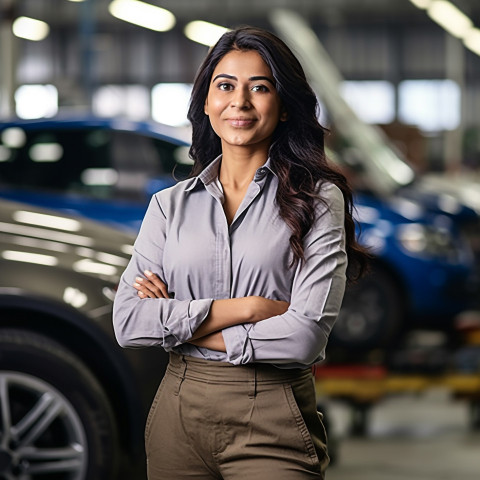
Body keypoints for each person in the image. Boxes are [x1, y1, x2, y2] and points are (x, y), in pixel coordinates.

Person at [113, 25, 368, 480]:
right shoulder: (169, 206)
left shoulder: (317, 200)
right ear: (207, 102)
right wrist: (248, 308)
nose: (240, 102)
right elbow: (129, 322)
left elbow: (305, 337)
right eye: (225, 85)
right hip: (177, 414)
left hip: (271, 415)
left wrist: (176, 324)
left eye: (260, 88)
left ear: (285, 106)